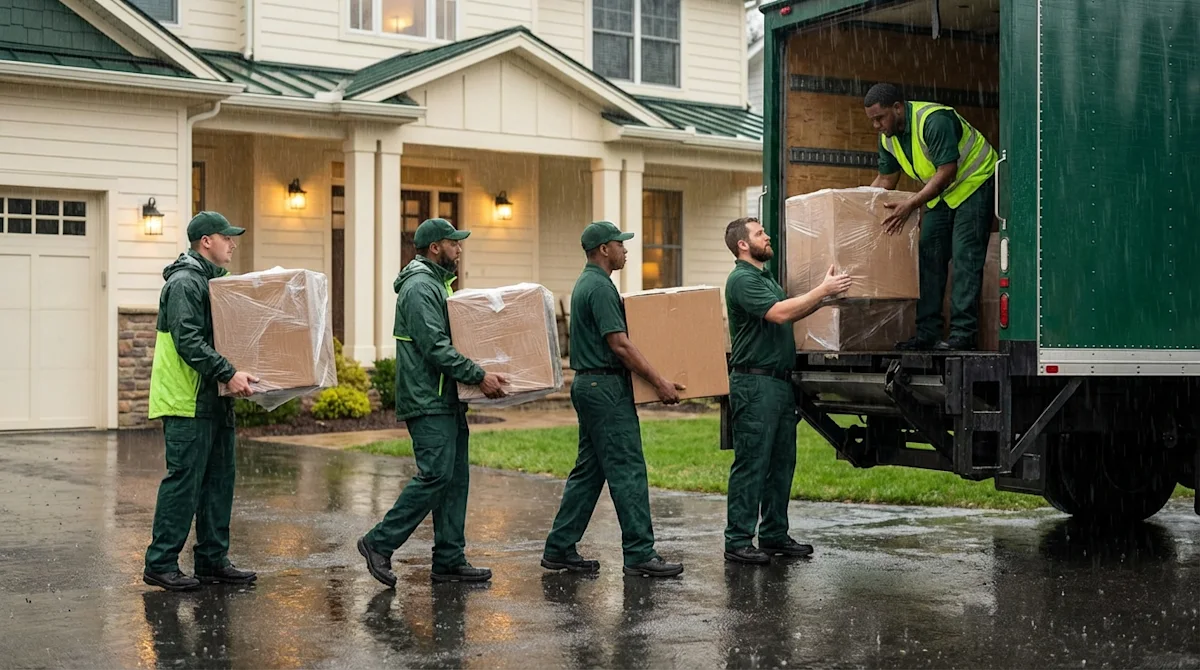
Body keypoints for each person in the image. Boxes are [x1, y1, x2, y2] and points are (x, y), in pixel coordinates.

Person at [358, 218, 509, 587]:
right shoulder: (419, 288)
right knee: (436, 475)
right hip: (428, 398)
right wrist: (478, 376)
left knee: (455, 479)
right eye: (453, 243)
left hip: (445, 397)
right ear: (435, 247)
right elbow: (436, 348)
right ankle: (378, 542)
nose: (459, 249)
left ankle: (449, 560)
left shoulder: (436, 286)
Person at [541, 221, 686, 578]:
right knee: (628, 470)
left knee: (590, 473)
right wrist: (659, 382)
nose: (625, 249)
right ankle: (640, 554)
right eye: (620, 244)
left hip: (591, 387)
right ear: (604, 249)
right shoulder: (600, 287)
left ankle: (559, 548)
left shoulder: (587, 283)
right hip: (604, 389)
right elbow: (619, 343)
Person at [722, 217, 852, 565]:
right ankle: (737, 540)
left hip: (778, 382)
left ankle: (774, 534)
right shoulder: (741, 280)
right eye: (759, 233)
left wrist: (825, 297)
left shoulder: (763, 278)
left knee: (781, 462)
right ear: (743, 245)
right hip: (755, 384)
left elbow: (792, 310)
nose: (767, 235)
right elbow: (780, 314)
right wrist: (823, 292)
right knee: (753, 462)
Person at [143, 211, 259, 591]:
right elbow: (188, 340)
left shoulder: (216, 285)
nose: (233, 244)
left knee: (218, 482)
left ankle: (212, 560)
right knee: (185, 483)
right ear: (206, 241)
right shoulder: (184, 282)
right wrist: (228, 372)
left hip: (213, 399)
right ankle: (160, 563)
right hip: (187, 399)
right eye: (227, 238)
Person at [864, 82, 997, 351]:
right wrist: (856, 205)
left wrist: (912, 203)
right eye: (872, 120)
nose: (876, 125)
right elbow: (886, 179)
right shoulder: (888, 139)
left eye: (880, 118)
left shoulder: (933, 120)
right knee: (928, 256)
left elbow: (947, 170)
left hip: (974, 182)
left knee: (964, 257)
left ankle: (963, 334)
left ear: (898, 108)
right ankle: (927, 333)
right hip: (941, 194)